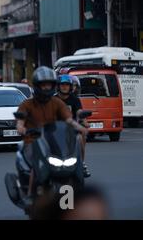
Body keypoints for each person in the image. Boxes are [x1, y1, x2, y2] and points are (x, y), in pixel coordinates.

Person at [16, 67, 89, 199]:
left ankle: (79, 191)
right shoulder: (27, 104)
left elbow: (68, 119)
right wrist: (21, 128)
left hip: (53, 141)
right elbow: (20, 122)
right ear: (37, 86)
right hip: (33, 141)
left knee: (71, 160)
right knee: (35, 165)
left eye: (49, 85)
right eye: (43, 85)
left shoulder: (57, 103)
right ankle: (30, 195)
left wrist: (80, 127)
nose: (46, 88)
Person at [56, 75, 90, 177]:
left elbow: (79, 112)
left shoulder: (75, 99)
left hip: (71, 129)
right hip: (55, 129)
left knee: (80, 137)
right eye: (62, 85)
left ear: (70, 87)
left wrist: (84, 121)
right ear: (58, 86)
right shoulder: (53, 99)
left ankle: (81, 163)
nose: (64, 87)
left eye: (67, 85)